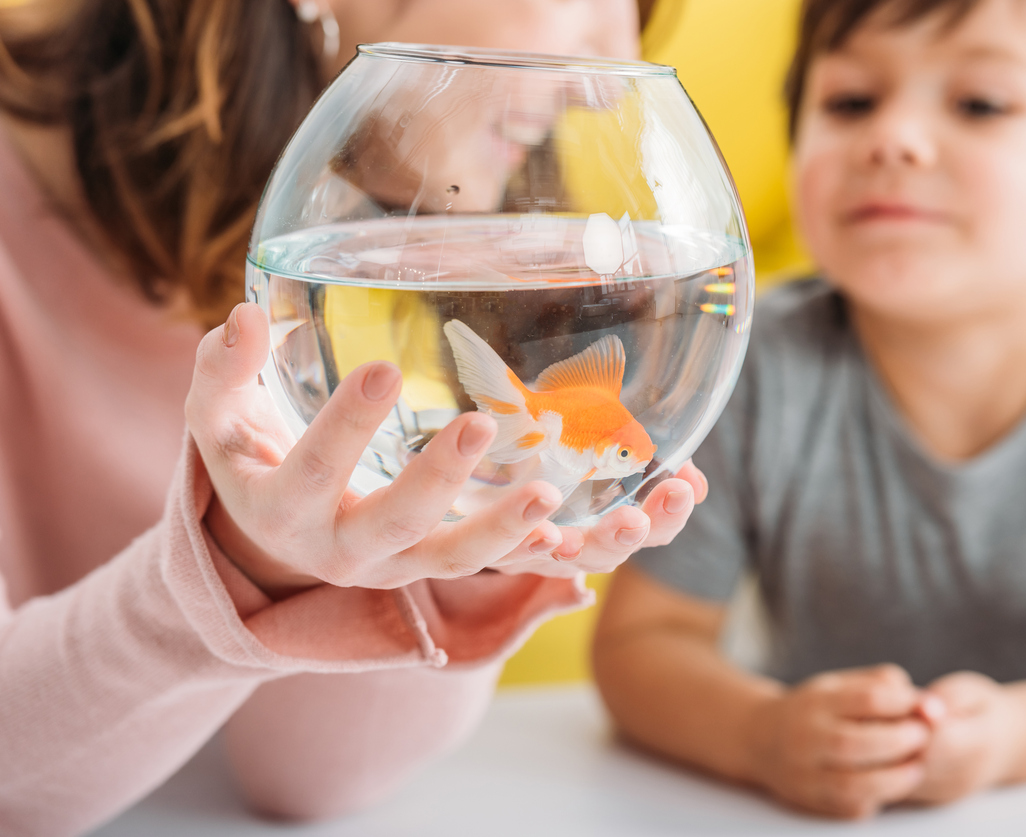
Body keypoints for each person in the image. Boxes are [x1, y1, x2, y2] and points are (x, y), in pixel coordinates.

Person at [0, 1, 706, 835]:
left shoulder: (421, 219)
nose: (601, 82)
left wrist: (455, 535)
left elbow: (315, 775)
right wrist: (234, 564)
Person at [593, 0, 1026, 820]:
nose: (891, 137)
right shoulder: (750, 354)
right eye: (850, 103)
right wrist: (766, 734)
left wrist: (1018, 736)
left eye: (980, 104)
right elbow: (639, 647)